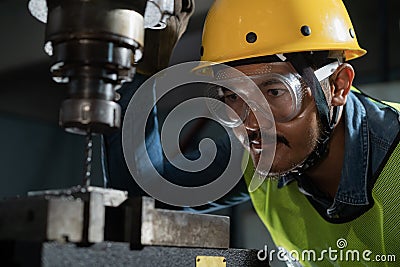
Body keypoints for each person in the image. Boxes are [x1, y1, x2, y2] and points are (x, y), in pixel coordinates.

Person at [104, 0, 400, 266]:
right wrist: (135, 70)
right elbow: (151, 194)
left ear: (337, 86)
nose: (252, 123)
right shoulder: (260, 153)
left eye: (275, 91)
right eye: (233, 96)